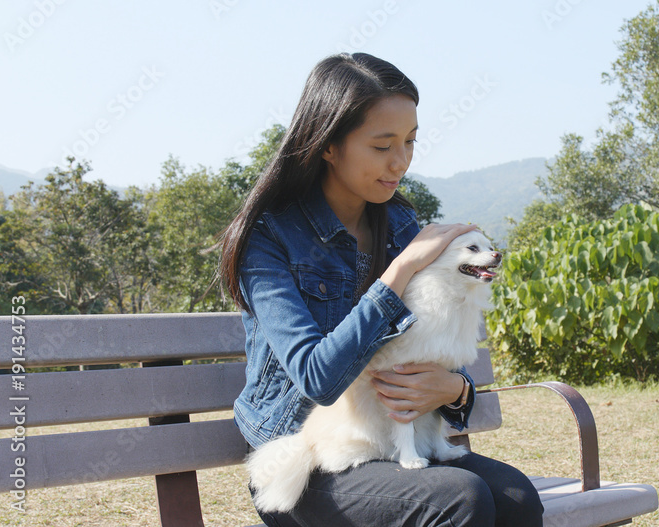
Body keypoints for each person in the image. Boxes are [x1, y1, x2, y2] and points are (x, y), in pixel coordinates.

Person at [219, 53, 543, 527]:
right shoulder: (269, 241)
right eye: (382, 145)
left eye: (410, 141)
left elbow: (439, 348)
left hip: (396, 438)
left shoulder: (401, 224)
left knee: (517, 497)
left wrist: (454, 390)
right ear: (328, 145)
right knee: (461, 499)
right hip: (313, 454)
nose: (401, 161)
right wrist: (401, 270)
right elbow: (317, 378)